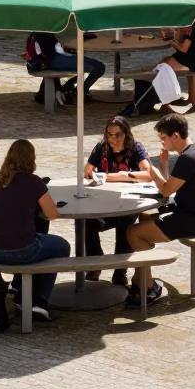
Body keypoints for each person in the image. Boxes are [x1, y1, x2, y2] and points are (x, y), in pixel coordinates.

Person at [126, 114, 195, 308]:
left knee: (133, 233)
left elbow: (166, 190)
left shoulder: (189, 158)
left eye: (163, 138)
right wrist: (164, 164)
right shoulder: (194, 152)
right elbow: (171, 185)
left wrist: (153, 171)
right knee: (144, 216)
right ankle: (140, 277)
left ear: (175, 135)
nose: (162, 142)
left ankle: (149, 287)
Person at [0, 139, 70, 322]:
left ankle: (21, 289)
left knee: (37, 240)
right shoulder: (34, 182)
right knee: (62, 247)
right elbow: (51, 214)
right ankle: (39, 300)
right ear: (31, 159)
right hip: (21, 250)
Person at [82, 115, 151, 285]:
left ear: (126, 134)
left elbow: (149, 174)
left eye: (117, 134)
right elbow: (87, 170)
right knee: (85, 222)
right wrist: (91, 173)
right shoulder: (102, 148)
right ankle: (95, 263)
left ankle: (120, 271)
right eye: (109, 134)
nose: (113, 138)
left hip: (128, 202)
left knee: (125, 224)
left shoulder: (135, 149)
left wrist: (121, 176)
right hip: (105, 203)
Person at [28, 32, 105, 105]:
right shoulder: (46, 34)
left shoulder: (35, 35)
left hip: (34, 65)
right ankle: (80, 92)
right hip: (51, 61)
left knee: (81, 65)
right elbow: (59, 51)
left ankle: (69, 86)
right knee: (99, 67)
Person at [160, 12, 195, 107]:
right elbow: (183, 48)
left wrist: (170, 40)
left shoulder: (193, 31)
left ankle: (169, 98)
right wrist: (176, 35)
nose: (180, 27)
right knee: (167, 61)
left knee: (165, 66)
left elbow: (183, 49)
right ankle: (191, 99)